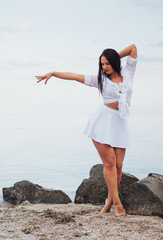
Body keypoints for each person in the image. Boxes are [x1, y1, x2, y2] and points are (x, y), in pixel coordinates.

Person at [36, 44, 138, 216]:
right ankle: (117, 205)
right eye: (102, 64)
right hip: (102, 123)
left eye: (107, 63)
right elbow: (75, 76)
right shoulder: (100, 79)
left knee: (119, 166)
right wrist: (53, 73)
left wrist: (113, 56)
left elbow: (133, 48)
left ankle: (108, 203)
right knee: (110, 163)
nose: (104, 67)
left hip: (120, 123)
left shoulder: (128, 73)